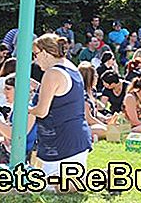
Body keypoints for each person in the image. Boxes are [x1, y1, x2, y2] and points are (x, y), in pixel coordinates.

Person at [29, 34, 92, 180]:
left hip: (63, 141)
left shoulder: (52, 73)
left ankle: (103, 178)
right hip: (72, 138)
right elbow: (60, 94)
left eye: (35, 54)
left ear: (44, 53)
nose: (35, 60)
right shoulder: (71, 68)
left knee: (52, 185)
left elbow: (42, 111)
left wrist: (23, 108)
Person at [0, 73, 38, 163]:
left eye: (8, 89)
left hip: (22, 153)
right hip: (10, 146)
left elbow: (16, 135)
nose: (4, 92)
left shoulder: (29, 110)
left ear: (19, 90)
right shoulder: (16, 107)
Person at [78, 61, 107, 140]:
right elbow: (88, 118)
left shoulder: (93, 91)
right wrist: (105, 126)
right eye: (95, 75)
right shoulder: (81, 94)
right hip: (82, 126)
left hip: (91, 124)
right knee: (103, 130)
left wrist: (105, 119)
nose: (97, 77)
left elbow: (95, 112)